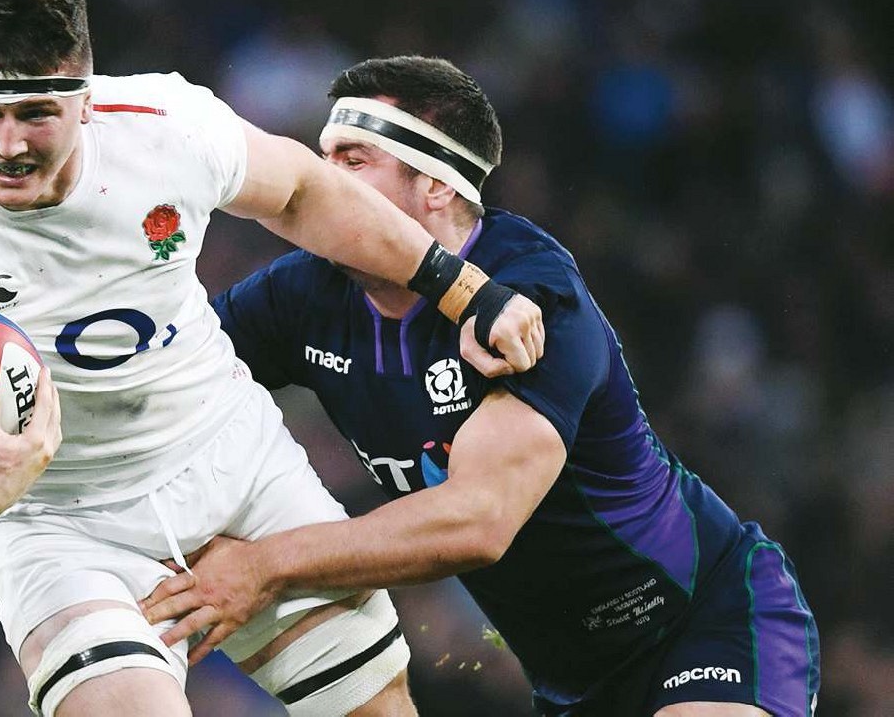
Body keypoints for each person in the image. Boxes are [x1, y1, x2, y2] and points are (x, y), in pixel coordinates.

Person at [0, 0, 546, 717]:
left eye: (34, 112)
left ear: (85, 95)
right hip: (64, 525)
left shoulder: (163, 129)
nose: (6, 144)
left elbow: (303, 191)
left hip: (233, 462)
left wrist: (462, 288)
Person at [142, 56, 822, 717]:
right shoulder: (302, 293)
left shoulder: (530, 295)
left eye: (353, 160)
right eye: (323, 158)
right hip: (574, 685)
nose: (325, 180)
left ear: (437, 186)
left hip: (704, 616)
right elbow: (163, 379)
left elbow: (479, 519)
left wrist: (264, 565)